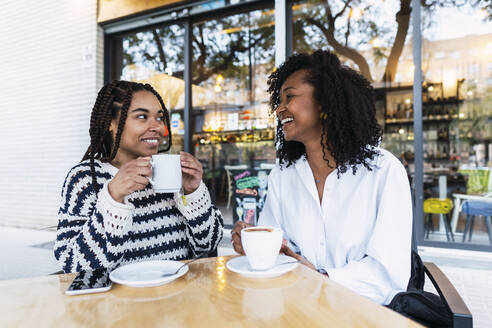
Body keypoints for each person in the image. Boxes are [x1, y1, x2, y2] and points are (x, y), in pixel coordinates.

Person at [231, 50, 412, 305]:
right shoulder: (283, 175)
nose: (279, 109)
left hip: (363, 315)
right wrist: (253, 242)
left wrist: (321, 278)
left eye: (290, 96)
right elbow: (278, 249)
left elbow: (388, 276)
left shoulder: (383, 171)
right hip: (297, 307)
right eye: (279, 100)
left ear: (324, 101)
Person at [54, 80, 223, 273]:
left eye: (159, 118)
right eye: (142, 117)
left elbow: (207, 244)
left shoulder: (170, 173)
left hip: (177, 297)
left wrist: (193, 193)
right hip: (118, 302)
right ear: (111, 123)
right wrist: (113, 197)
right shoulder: (85, 179)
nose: (158, 128)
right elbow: (72, 264)